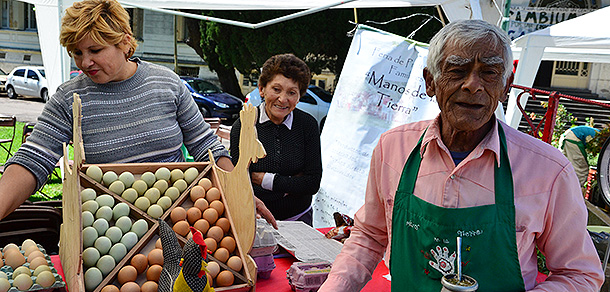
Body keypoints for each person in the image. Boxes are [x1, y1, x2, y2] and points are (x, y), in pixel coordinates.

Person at [319, 20, 603, 291]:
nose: (472, 85)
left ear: (505, 87)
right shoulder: (393, 147)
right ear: (430, 82)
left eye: (489, 73)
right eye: (457, 70)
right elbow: (369, 235)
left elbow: (580, 274)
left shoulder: (549, 170)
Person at [0, 0, 238, 220]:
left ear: (124, 42)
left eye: (95, 50)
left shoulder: (168, 84)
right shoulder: (68, 98)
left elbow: (207, 146)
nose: (84, 63)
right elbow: (33, 159)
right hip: (108, 234)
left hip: (178, 222)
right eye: (77, 53)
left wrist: (240, 195)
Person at [230, 54, 322, 226]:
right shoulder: (244, 124)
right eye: (276, 89)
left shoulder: (307, 125)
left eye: (292, 93)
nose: (283, 99)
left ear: (299, 96)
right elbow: (239, 179)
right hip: (253, 219)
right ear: (262, 89)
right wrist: (291, 183)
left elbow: (312, 183)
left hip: (298, 219)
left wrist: (265, 179)